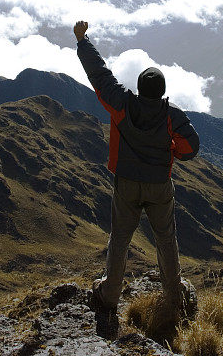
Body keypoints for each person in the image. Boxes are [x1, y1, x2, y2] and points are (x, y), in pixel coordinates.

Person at [74, 19, 200, 336]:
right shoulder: (172, 116)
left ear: (140, 87)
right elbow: (191, 147)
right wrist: (173, 151)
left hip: (126, 183)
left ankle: (109, 294)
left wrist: (82, 40)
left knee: (120, 239)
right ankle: (174, 296)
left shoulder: (121, 104)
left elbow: (99, 76)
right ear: (162, 91)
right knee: (165, 240)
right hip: (160, 187)